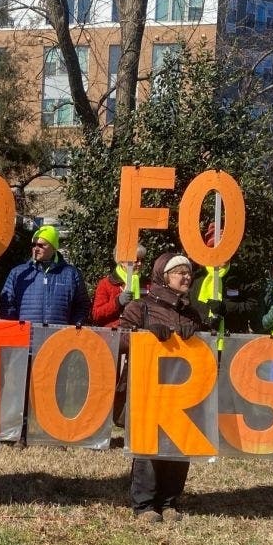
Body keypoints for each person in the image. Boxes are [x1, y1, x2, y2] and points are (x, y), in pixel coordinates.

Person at [119, 252, 211, 523]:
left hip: (182, 391)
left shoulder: (192, 311)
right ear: (163, 276)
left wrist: (200, 332)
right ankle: (144, 505)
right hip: (149, 390)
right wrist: (147, 335)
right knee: (148, 447)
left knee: (179, 445)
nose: (186, 277)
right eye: (179, 272)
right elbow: (120, 339)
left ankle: (170, 501)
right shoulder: (140, 307)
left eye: (188, 272)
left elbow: (204, 346)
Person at [0, 224, 90, 326]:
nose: (36, 249)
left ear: (54, 247)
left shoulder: (71, 274)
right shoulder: (18, 273)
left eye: (41, 245)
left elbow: (82, 305)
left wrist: (74, 327)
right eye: (33, 245)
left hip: (59, 337)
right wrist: (14, 328)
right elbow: (6, 304)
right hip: (25, 336)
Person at [189, 222, 262, 336]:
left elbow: (253, 306)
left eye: (226, 249)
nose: (222, 254)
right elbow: (187, 309)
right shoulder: (196, 279)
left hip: (232, 340)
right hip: (202, 341)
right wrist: (204, 321)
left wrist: (227, 307)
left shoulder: (240, 278)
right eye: (217, 248)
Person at [91, 244, 147, 328]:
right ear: (122, 262)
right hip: (114, 334)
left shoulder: (147, 284)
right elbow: (96, 314)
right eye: (136, 260)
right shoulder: (106, 283)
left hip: (139, 335)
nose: (140, 263)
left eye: (142, 260)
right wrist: (117, 302)